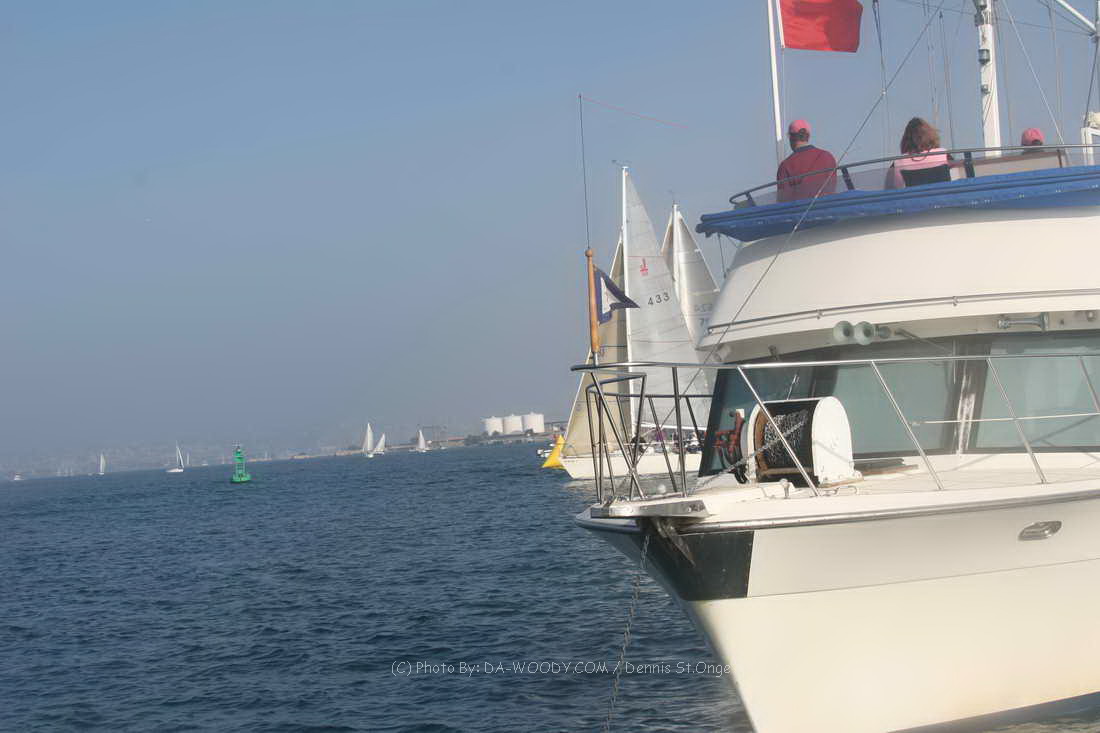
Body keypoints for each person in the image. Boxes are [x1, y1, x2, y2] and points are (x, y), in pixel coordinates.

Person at [776, 119, 837, 202]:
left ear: (791, 137)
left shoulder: (785, 165)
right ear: (808, 136)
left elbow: (783, 200)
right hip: (829, 207)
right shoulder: (827, 156)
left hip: (802, 209)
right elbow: (832, 188)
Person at [885, 117, 951, 189]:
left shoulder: (898, 162)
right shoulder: (943, 154)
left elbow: (890, 190)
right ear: (930, 135)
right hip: (943, 195)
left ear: (907, 139)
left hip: (914, 196)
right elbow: (958, 176)